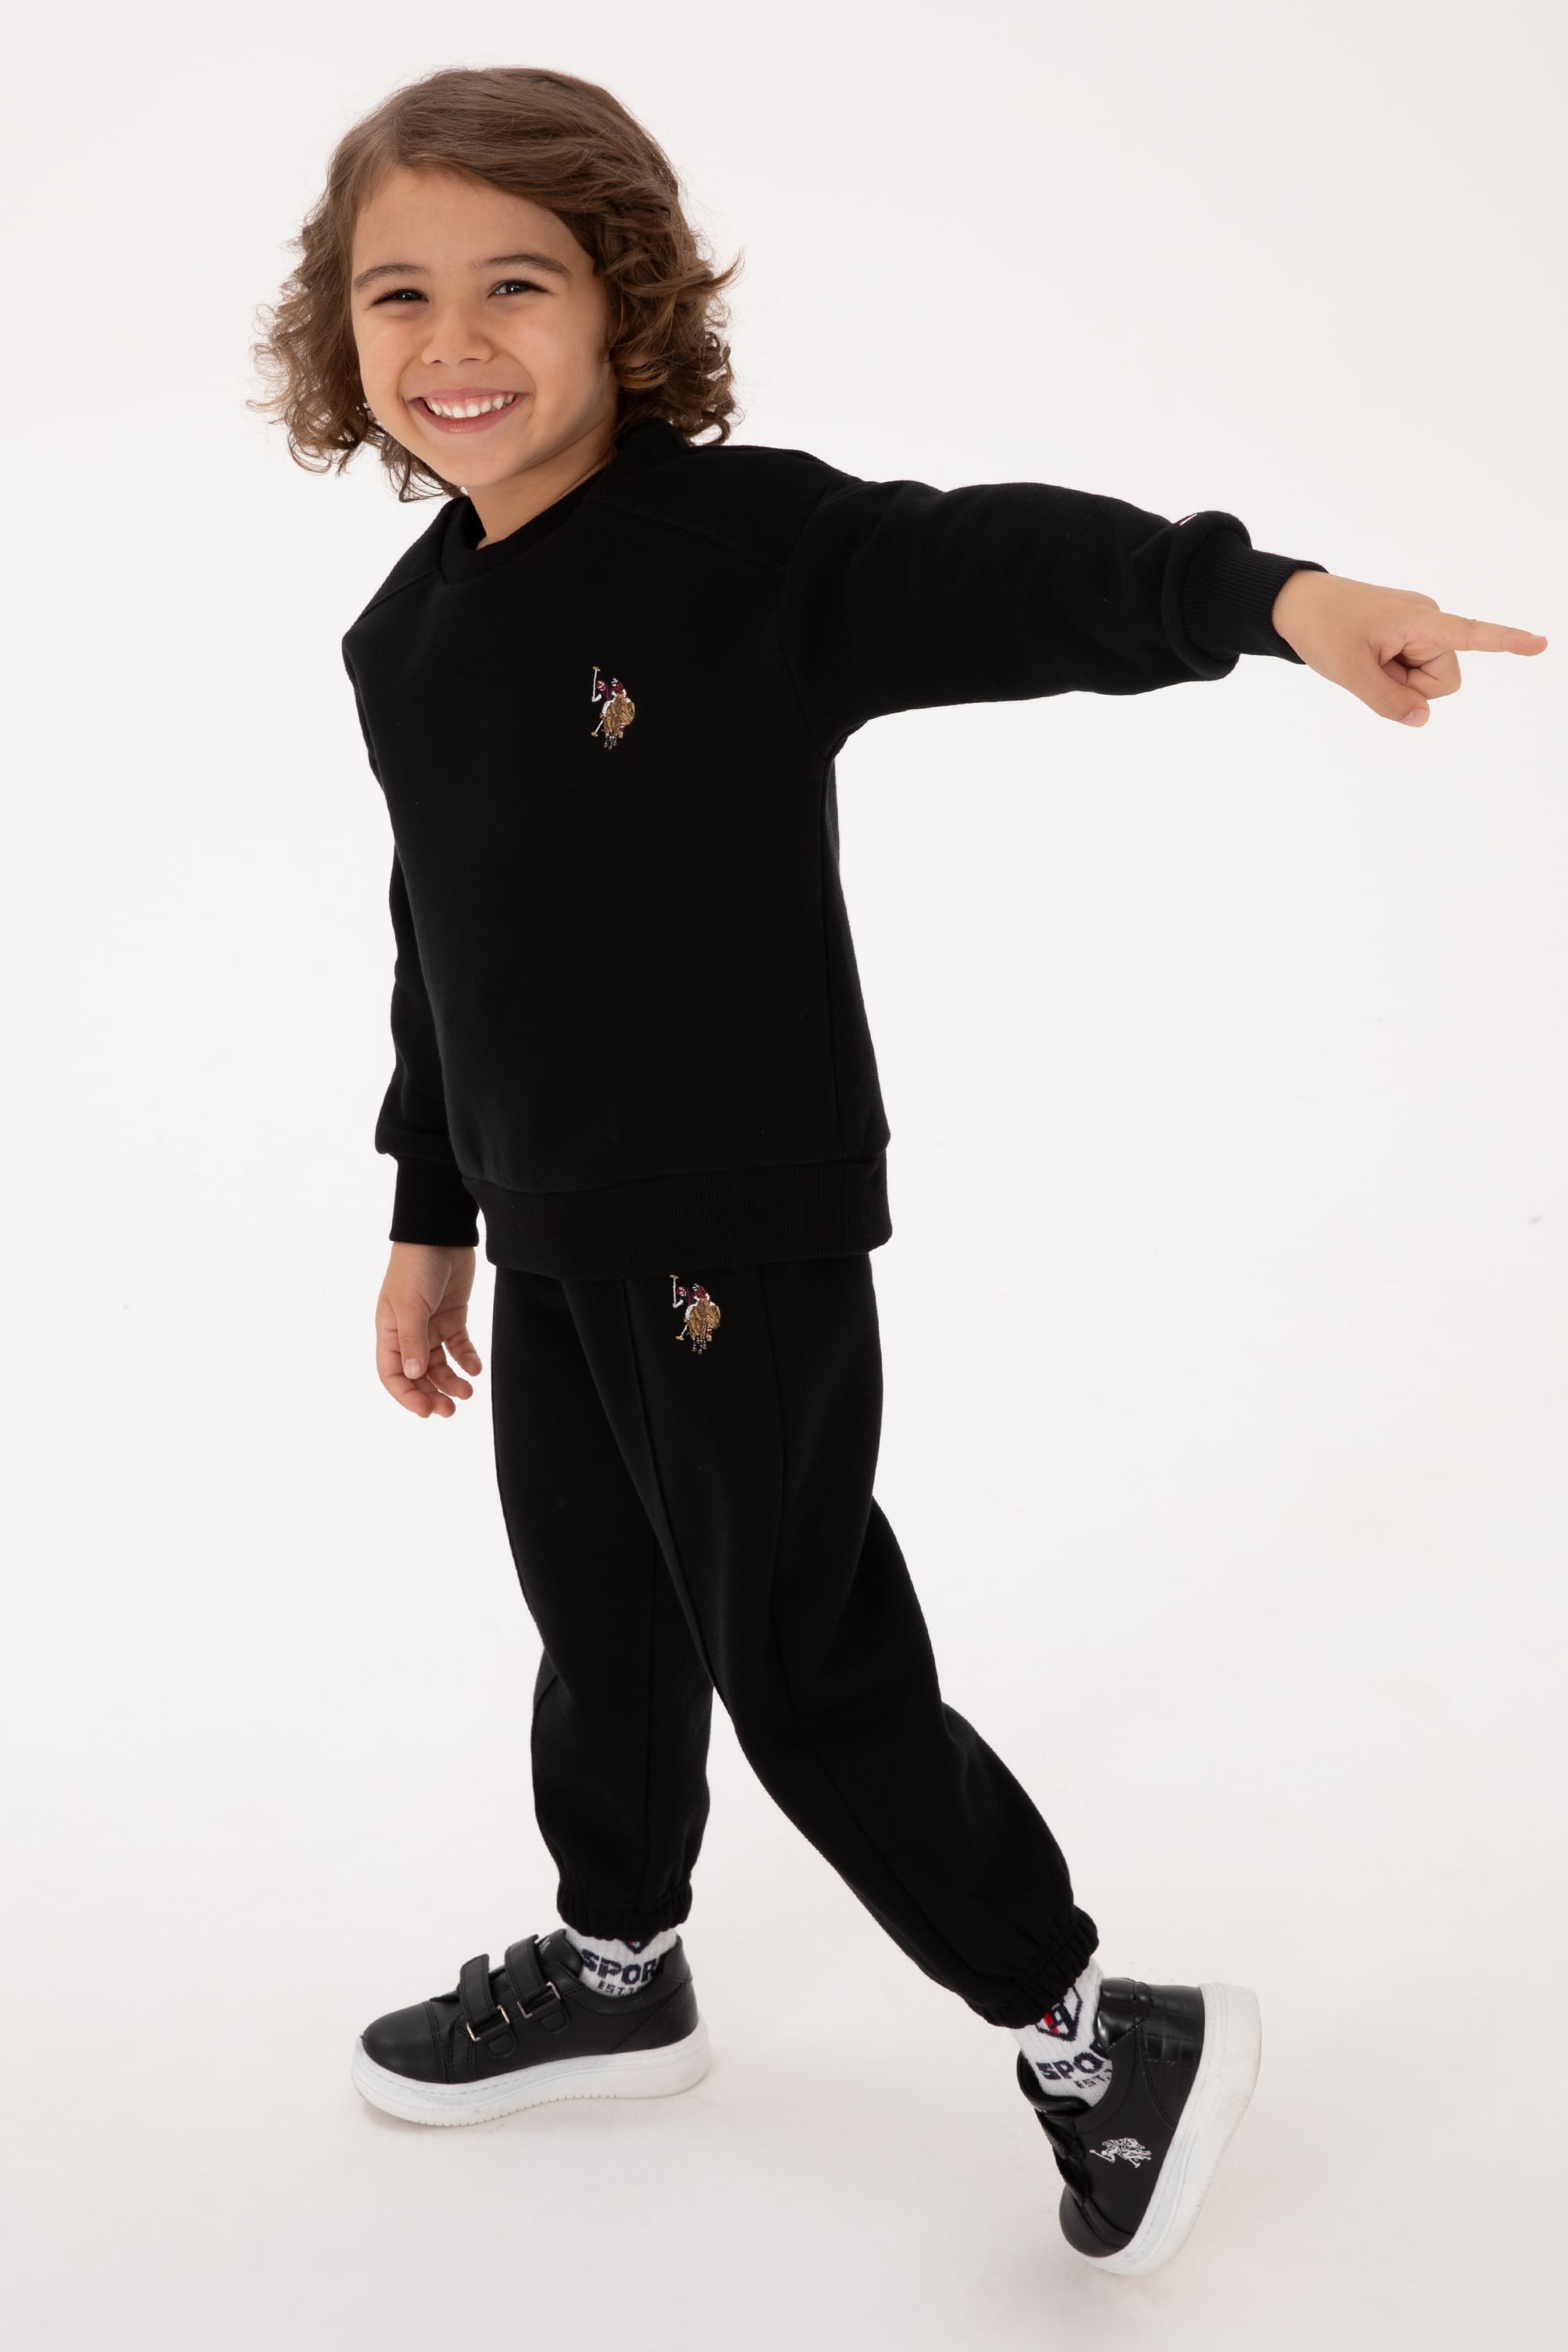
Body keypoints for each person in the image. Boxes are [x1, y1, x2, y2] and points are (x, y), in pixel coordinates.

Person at [250, 63, 1545, 2275]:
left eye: (516, 285)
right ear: (339, 332)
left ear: (625, 303)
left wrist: (1270, 597)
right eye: (398, 295)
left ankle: (1092, 2032)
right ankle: (619, 1959)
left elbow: (991, 567)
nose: (452, 340)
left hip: (730, 1222)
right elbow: (440, 943)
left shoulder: (741, 548)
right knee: (601, 1613)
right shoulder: (410, 633)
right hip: (552, 1229)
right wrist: (429, 1216)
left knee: (796, 1655)